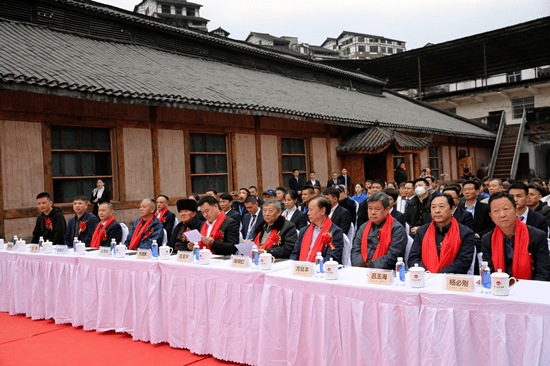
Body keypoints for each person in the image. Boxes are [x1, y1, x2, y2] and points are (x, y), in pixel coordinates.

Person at [481, 192, 550, 281]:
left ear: (516, 210)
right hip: (499, 288)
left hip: (530, 288)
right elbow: (489, 271)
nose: (502, 215)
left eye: (506, 209)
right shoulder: (487, 239)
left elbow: (543, 272)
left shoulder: (537, 236)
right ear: (491, 216)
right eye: (496, 211)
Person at [407, 194, 475, 274]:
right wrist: (426, 274)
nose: (437, 211)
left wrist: (438, 276)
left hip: (450, 280)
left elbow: (463, 262)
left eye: (441, 207)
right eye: (433, 207)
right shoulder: (422, 231)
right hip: (425, 278)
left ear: (452, 209)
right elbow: (413, 258)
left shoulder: (465, 233)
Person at [351, 192, 407, 268]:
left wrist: (370, 267)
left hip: (384, 271)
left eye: (377, 209)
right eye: (370, 208)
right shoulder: (363, 227)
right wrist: (360, 266)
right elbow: (355, 250)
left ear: (387, 209)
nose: (372, 212)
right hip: (361, 269)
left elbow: (393, 256)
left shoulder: (397, 229)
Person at [290, 196, 344, 263]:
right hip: (301, 269)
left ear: (322, 211)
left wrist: (313, 267)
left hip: (320, 270)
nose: (308, 213)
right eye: (308, 210)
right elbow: (295, 253)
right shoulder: (303, 231)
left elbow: (332, 257)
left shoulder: (335, 232)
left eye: (311, 210)